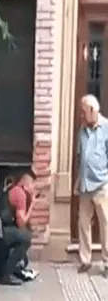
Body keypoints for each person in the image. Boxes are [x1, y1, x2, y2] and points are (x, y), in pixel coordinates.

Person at [0, 169, 37, 285]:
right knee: (26, 238)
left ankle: (2, 269)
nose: (33, 189)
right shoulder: (20, 194)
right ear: (25, 184)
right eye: (32, 185)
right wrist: (32, 205)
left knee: (21, 237)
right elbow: (21, 223)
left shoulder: (11, 188)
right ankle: (6, 275)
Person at [76, 94, 108, 277]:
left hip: (102, 184)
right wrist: (78, 180)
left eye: (83, 112)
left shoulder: (106, 128)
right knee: (83, 223)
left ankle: (107, 263)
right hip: (85, 185)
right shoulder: (82, 130)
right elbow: (80, 157)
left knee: (106, 225)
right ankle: (85, 260)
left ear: (93, 111)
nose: (82, 116)